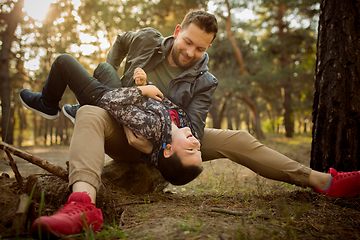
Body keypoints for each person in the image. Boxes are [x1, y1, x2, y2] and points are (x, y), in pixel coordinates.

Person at [24, 10, 360, 239]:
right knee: (90, 112)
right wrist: (108, 74)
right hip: (117, 126)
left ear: (208, 47)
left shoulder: (205, 80)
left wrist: (157, 147)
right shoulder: (146, 41)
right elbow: (121, 40)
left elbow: (195, 131)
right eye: (187, 42)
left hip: (173, 135)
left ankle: (322, 181)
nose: (190, 52)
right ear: (177, 32)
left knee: (238, 137)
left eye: (200, 48)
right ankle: (82, 205)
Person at [20, 55, 203, 186]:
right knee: (104, 68)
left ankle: (47, 103)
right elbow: (156, 104)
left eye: (190, 149)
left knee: (63, 62)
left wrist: (142, 92)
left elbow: (111, 101)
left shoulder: (152, 129)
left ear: (169, 150)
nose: (195, 142)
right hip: (123, 98)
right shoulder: (183, 124)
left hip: (108, 100)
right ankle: (82, 108)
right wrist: (145, 85)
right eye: (198, 149)